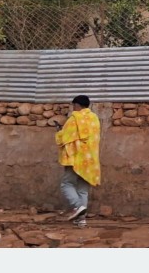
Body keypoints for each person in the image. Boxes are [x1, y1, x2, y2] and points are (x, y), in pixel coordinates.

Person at [51, 94, 100, 228]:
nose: (73, 108)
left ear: (77, 105)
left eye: (74, 105)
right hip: (90, 160)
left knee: (66, 184)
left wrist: (58, 132)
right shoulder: (94, 118)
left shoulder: (75, 118)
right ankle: (81, 220)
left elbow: (65, 137)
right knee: (83, 190)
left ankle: (77, 206)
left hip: (76, 158)